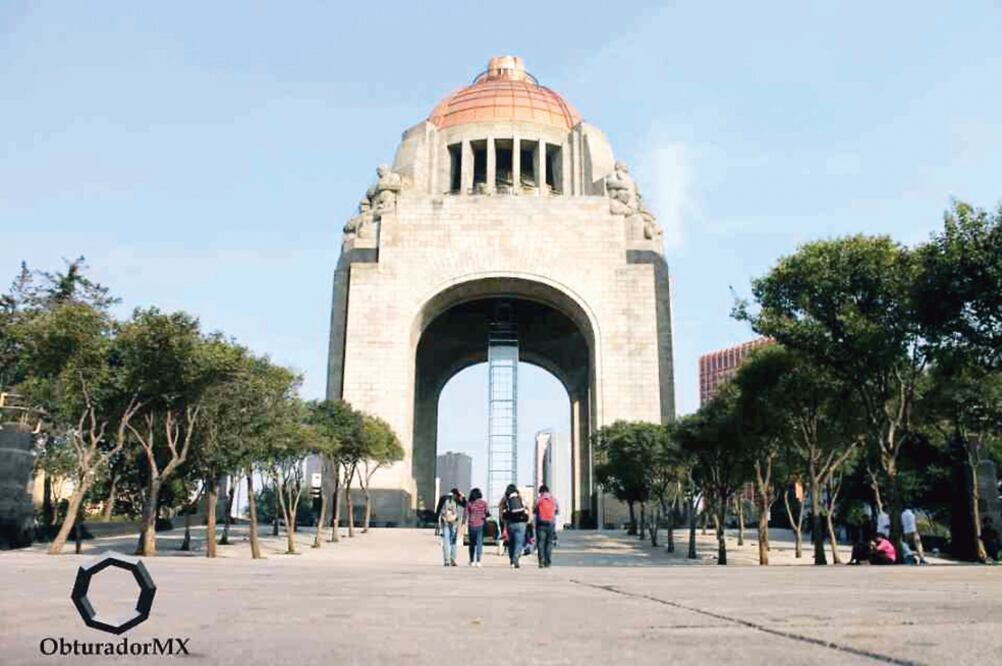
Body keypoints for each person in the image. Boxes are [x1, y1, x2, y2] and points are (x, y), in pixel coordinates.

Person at [499, 484, 529, 568]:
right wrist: (528, 520)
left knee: (511, 542)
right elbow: (528, 507)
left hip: (510, 523)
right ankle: (516, 556)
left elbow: (500, 507)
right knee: (519, 542)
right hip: (521, 523)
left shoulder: (506, 498)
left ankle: (512, 560)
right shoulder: (520, 497)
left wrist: (502, 520)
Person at [534, 484, 560, 568]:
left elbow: (534, 510)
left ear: (541, 491)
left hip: (540, 524)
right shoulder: (553, 499)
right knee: (549, 543)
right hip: (551, 524)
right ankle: (547, 562)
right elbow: (557, 511)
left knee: (540, 542)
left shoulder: (539, 499)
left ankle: (541, 561)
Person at [437, 488, 464, 567]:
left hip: (445, 522)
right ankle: (452, 559)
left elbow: (438, 509)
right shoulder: (456, 499)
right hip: (454, 523)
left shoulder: (443, 498)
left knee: (446, 541)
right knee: (453, 541)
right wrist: (462, 496)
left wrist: (436, 520)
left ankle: (447, 561)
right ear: (456, 494)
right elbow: (465, 504)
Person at [463, 487, 489, 567]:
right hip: (480, 524)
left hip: (471, 525)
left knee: (472, 543)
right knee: (479, 543)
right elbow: (487, 513)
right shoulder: (484, 503)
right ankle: (478, 561)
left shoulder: (469, 503)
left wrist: (463, 523)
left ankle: (471, 560)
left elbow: (465, 514)